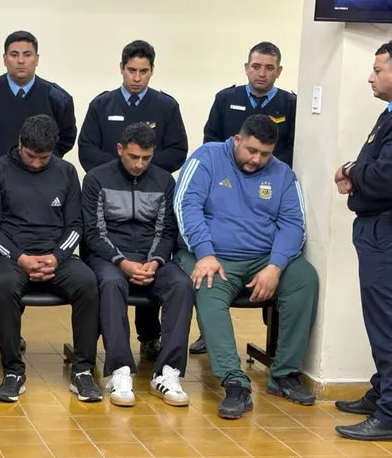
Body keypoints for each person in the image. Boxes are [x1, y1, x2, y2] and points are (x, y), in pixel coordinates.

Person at [174, 114, 318, 420]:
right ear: (237, 140)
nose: (257, 160)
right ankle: (234, 381)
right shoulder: (207, 158)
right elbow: (186, 205)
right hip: (211, 256)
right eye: (251, 150)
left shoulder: (283, 174)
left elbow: (294, 224)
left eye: (265, 154)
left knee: (305, 277)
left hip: (263, 259)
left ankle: (284, 374)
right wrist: (205, 253)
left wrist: (276, 266)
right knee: (208, 287)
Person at [78, 40, 188, 362]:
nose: (137, 77)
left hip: (151, 200)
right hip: (110, 197)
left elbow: (178, 150)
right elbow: (87, 149)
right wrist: (118, 172)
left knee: (157, 261)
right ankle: (115, 360)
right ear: (121, 68)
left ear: (152, 71)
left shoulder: (166, 106)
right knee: (113, 275)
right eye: (131, 70)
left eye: (143, 71)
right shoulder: (102, 104)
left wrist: (147, 172)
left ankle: (156, 346)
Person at [0, 114, 101, 403]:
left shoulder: (66, 172)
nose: (36, 163)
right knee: (4, 285)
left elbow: (76, 226)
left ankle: (83, 370)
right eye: (31, 156)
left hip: (55, 256)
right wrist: (20, 257)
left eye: (43, 158)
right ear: (20, 143)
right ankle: (13, 370)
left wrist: (57, 257)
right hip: (10, 256)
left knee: (88, 282)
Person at [194, 41, 297, 355]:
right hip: (226, 187)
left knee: (286, 274)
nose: (261, 73)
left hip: (268, 191)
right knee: (209, 280)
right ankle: (208, 335)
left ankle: (274, 343)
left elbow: (294, 149)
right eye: (256, 66)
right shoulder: (226, 99)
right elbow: (211, 141)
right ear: (246, 68)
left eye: (269, 67)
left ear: (278, 71)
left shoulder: (291, 104)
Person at [82, 123, 193, 408]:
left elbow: (166, 232)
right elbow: (93, 233)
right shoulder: (96, 179)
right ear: (120, 149)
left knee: (181, 285)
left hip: (151, 258)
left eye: (146, 158)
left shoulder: (164, 181)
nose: (139, 164)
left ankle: (168, 372)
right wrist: (123, 262)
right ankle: (120, 370)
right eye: (133, 156)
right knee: (110, 283)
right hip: (110, 258)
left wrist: (154, 262)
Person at [334, 41, 392, 441]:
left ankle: (389, 413)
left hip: (385, 233)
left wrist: (353, 171)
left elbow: (385, 177)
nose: (370, 77)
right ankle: (380, 394)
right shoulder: (386, 115)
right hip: (374, 230)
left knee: (386, 323)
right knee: (379, 320)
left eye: (378, 70)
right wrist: (355, 171)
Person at [0, 30, 76, 189]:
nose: (21, 61)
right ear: (4, 59)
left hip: (41, 187)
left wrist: (38, 159)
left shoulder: (58, 98)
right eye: (14, 55)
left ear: (37, 59)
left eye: (27, 55)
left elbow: (66, 139)